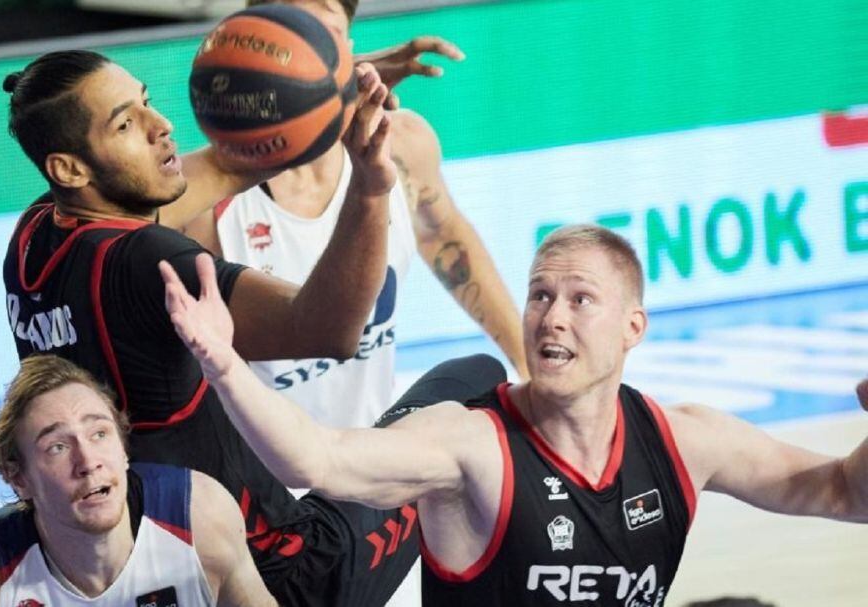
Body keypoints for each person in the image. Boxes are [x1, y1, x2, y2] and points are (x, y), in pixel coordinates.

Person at [0, 49, 495, 605]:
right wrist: (371, 184)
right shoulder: (147, 263)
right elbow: (330, 328)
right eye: (126, 123)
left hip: (154, 577)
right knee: (474, 384)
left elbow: (227, 167)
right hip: (287, 575)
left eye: (147, 104)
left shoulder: (33, 237)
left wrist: (325, 97)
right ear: (70, 168)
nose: (162, 128)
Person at [162, 224, 868, 605]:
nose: (550, 318)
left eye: (579, 299)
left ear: (634, 326)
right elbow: (318, 459)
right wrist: (223, 363)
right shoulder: (472, 444)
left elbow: (843, 492)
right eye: (538, 295)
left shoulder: (685, 439)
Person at [184, 0, 528, 428]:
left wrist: (529, 368)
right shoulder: (205, 207)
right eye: (289, 37)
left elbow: (448, 242)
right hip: (266, 478)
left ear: (347, 46)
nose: (303, 48)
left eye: (320, 34)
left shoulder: (402, 144)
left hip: (367, 462)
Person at [0, 355, 275, 606]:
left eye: (99, 434)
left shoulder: (200, 518)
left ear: (123, 448)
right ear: (18, 478)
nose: (87, 462)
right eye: (56, 447)